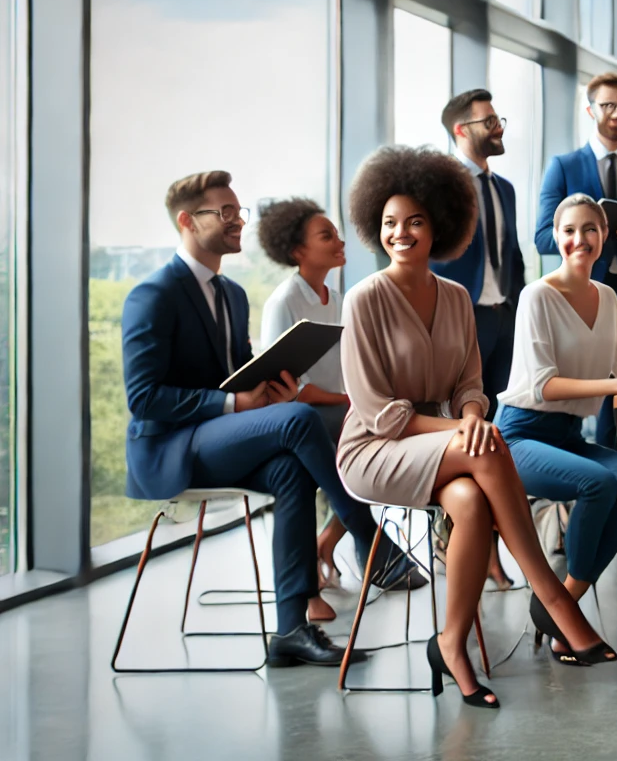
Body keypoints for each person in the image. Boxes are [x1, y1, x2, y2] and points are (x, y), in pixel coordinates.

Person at [337, 146, 613, 708]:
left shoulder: (458, 298)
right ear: (375, 227)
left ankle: (452, 643)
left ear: (438, 225)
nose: (401, 233)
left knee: (469, 500)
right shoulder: (363, 300)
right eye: (389, 223)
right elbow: (375, 411)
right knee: (485, 452)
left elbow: (469, 387)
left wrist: (467, 419)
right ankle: (555, 599)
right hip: (373, 449)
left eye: (414, 221)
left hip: (446, 445)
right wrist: (461, 431)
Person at [122, 171, 416, 667]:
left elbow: (236, 376)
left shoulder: (232, 295)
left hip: (217, 438)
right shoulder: (154, 295)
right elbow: (144, 399)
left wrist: (266, 390)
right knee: (301, 419)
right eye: (225, 213)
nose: (238, 221)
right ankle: (372, 543)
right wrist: (237, 405)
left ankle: (291, 631)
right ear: (187, 222)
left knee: (290, 468)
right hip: (170, 448)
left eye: (240, 211)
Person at [496, 194, 617, 645]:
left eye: (590, 229)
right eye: (569, 230)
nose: (579, 239)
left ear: (603, 237)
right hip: (520, 434)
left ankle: (561, 603)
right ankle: (564, 613)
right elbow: (544, 384)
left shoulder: (606, 297)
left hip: (568, 435)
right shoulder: (537, 296)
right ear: (556, 237)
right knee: (598, 483)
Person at [536, 72, 617, 527]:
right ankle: (581, 494)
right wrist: (587, 238)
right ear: (591, 111)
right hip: (574, 298)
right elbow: (540, 236)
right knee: (581, 398)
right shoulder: (563, 165)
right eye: (609, 106)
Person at [432, 89, 529, 587]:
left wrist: (519, 306)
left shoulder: (504, 188)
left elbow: (511, 254)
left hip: (501, 316)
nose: (498, 127)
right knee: (463, 433)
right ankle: (463, 547)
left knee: (492, 431)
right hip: (458, 318)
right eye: (488, 120)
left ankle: (485, 547)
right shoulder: (441, 185)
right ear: (460, 131)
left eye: (498, 118)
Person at [257, 197, 354, 621]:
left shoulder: (338, 299)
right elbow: (291, 391)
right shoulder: (283, 303)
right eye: (326, 235)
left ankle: (327, 542)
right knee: (369, 443)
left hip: (337, 414)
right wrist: (350, 401)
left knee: (381, 446)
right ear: (299, 252)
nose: (339, 240)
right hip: (299, 419)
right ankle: (369, 554)